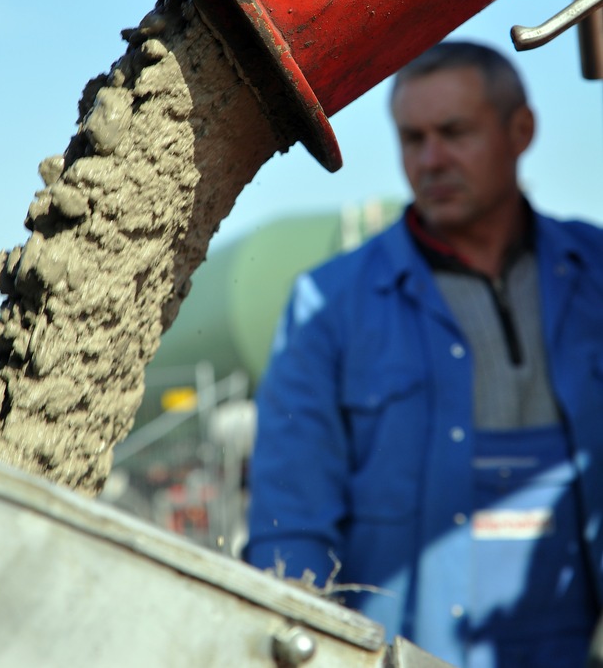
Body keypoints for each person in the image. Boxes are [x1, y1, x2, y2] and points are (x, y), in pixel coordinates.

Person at [244, 41, 603, 668]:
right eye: (413, 139)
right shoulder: (329, 306)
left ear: (522, 130)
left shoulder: (595, 273)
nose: (431, 160)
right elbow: (291, 527)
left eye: (454, 133)